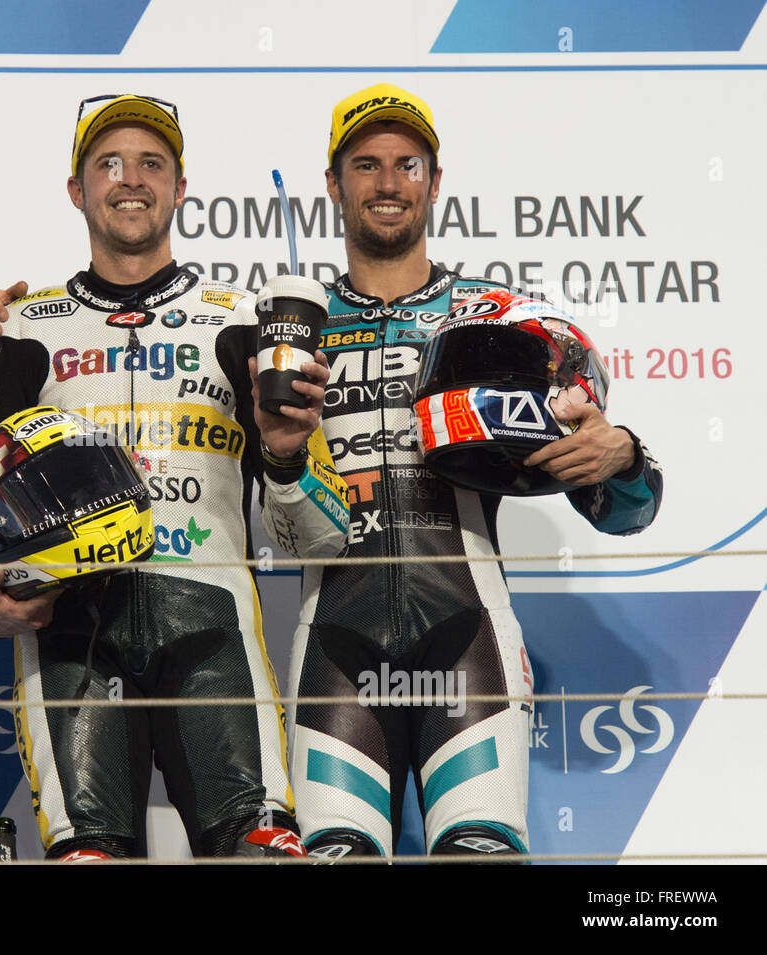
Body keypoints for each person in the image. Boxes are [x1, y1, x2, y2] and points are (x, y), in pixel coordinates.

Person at [256, 83, 664, 859]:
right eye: (365, 164)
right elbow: (275, 525)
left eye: (407, 164)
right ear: (334, 184)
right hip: (334, 646)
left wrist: (621, 454)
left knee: (481, 852)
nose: (386, 182)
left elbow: (626, 510)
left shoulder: (498, 322)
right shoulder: (288, 326)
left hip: (467, 638)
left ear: (434, 182)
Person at [0, 94, 349, 860]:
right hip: (70, 629)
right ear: (77, 190)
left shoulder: (246, 325)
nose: (130, 179)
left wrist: (290, 458)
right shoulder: (18, 331)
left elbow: (322, 534)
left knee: (259, 850)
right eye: (109, 163)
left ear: (180, 187)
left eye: (151, 163)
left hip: (214, 622)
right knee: (87, 855)